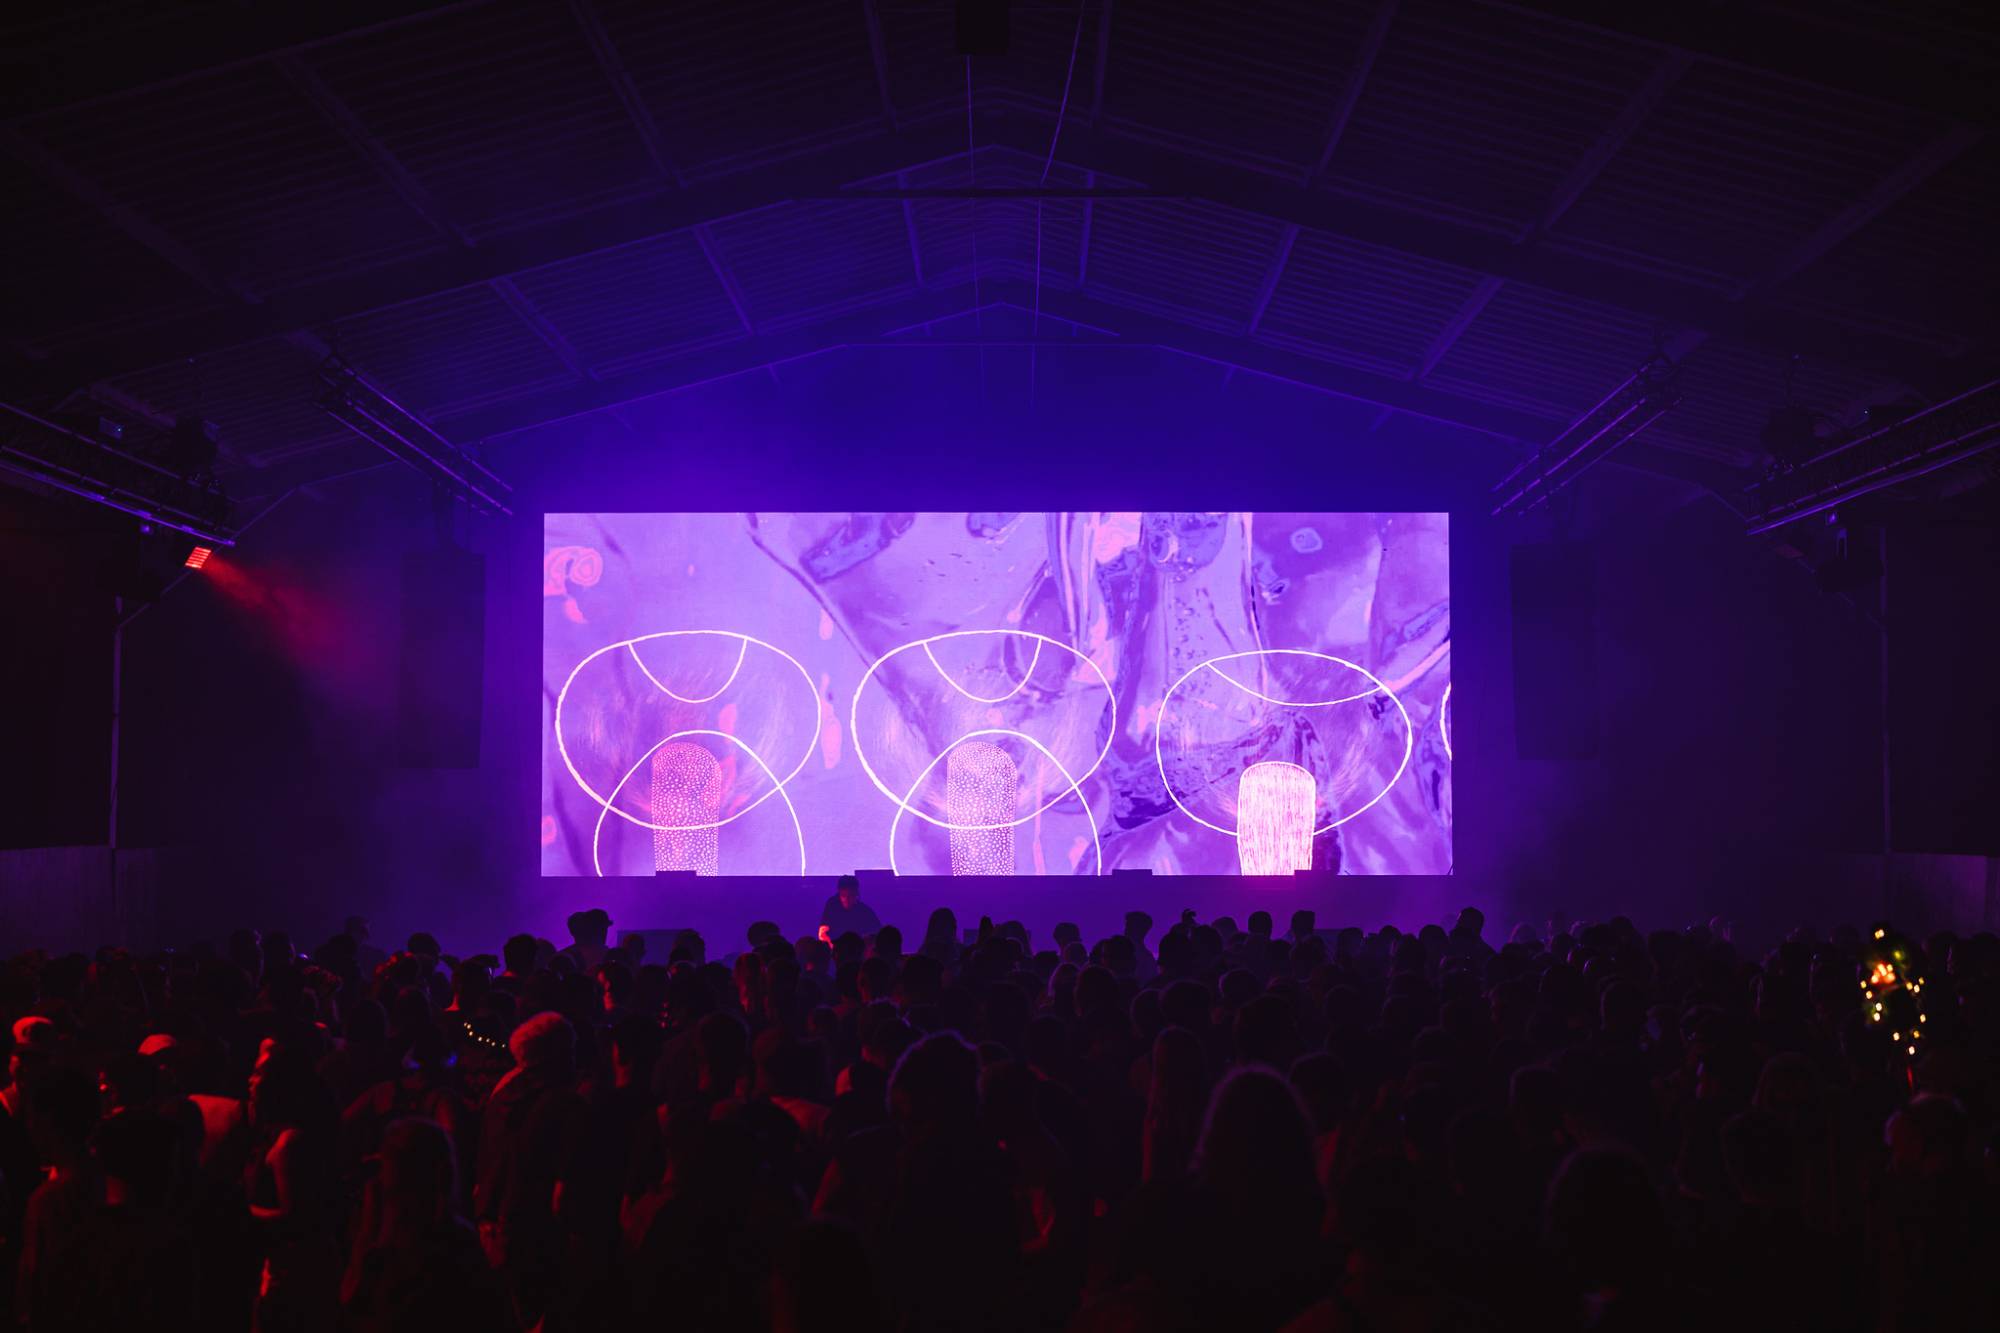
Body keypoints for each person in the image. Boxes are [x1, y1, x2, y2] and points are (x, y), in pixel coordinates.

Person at [819, 875, 881, 941]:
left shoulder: (865, 912)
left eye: (851, 896)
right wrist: (830, 945)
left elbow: (877, 933)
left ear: (856, 894)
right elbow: (822, 933)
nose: (847, 899)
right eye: (843, 895)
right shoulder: (832, 905)